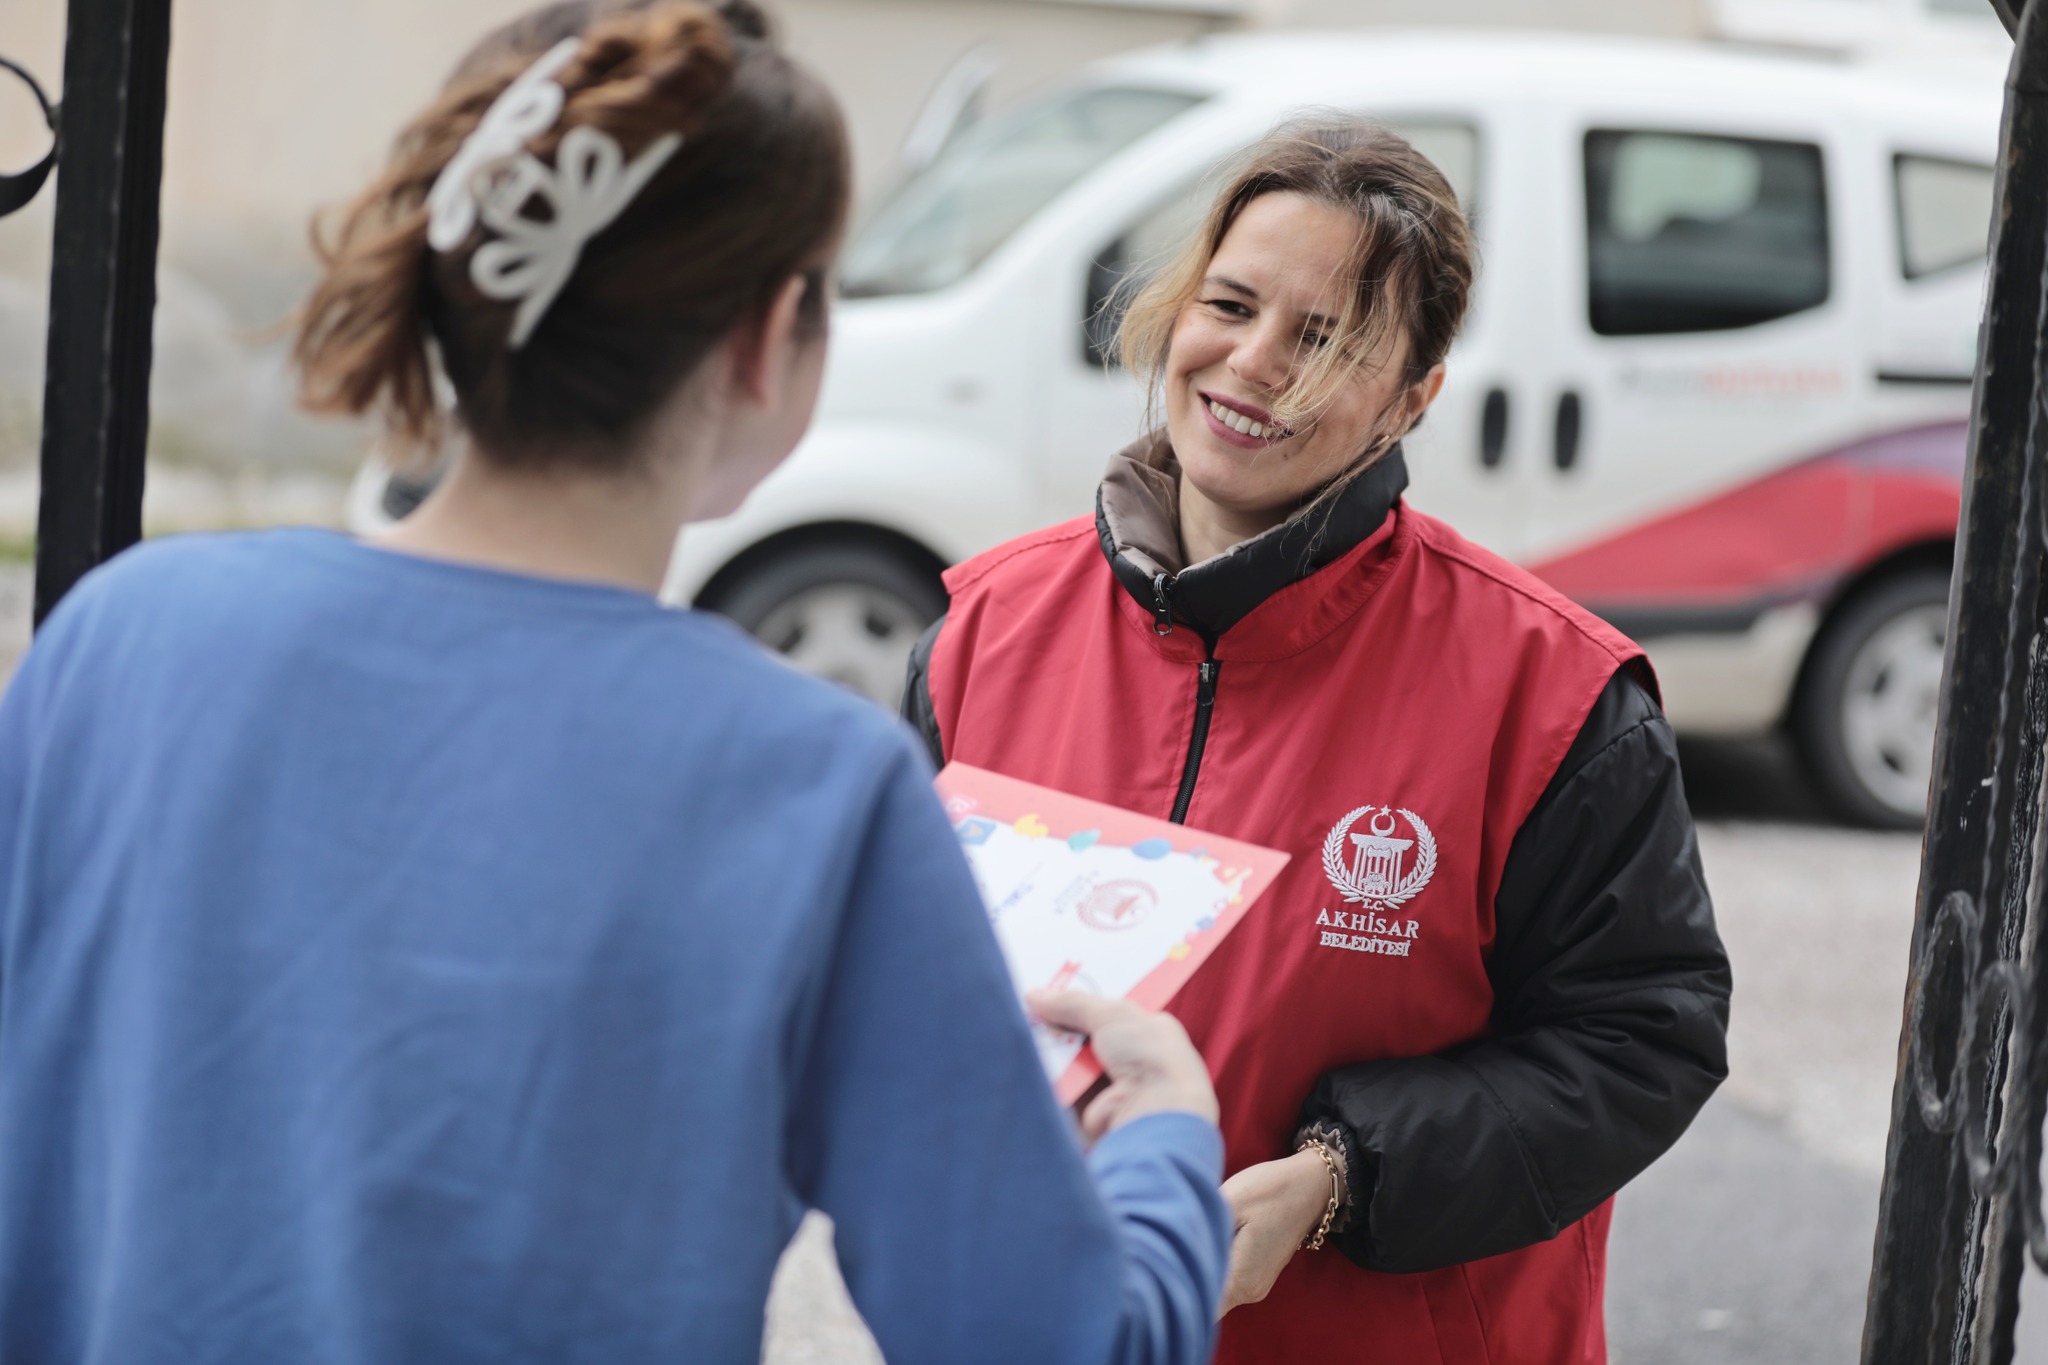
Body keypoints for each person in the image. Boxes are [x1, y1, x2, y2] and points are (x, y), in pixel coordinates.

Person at [0, 5, 1234, 1362]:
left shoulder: (122, 639)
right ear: (773, 340)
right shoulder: (808, 786)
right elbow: (1052, 1338)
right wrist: (1166, 1140)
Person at [903, 118, 1734, 1364]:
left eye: (1326, 339)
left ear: (1412, 397)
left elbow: (1639, 1039)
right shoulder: (983, 631)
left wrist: (1337, 1180)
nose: (1252, 364)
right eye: (1229, 305)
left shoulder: (1548, 689)